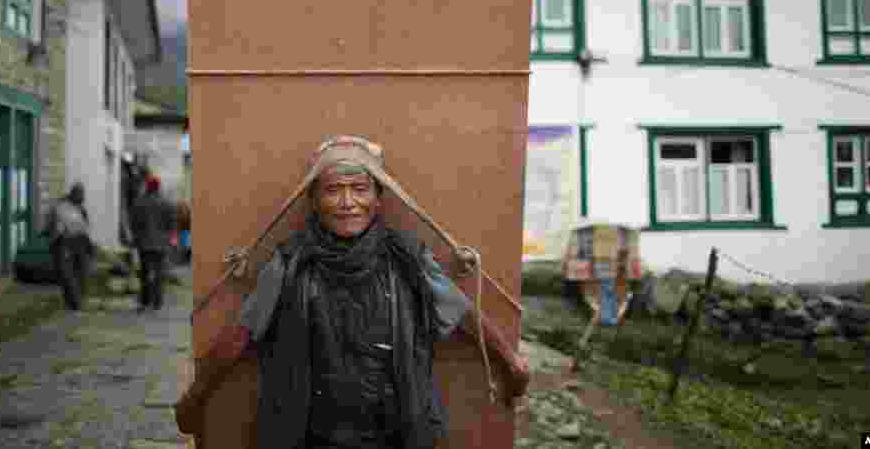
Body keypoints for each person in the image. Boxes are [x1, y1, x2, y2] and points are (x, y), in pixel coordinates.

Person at [175, 135, 531, 449]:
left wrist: (509, 361)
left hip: (395, 430)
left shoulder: (407, 258)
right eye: (333, 190)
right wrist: (196, 396)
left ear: (379, 198)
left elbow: (462, 312)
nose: (348, 203)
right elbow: (241, 333)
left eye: (360, 189)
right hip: (310, 434)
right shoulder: (290, 262)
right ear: (314, 200)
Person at [44, 182, 94, 311]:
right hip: (64, 243)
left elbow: (84, 226)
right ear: (74, 194)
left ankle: (75, 302)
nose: (83, 198)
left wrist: (88, 245)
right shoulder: (61, 207)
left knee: (80, 273)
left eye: (83, 195)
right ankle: (74, 303)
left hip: (78, 242)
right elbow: (54, 226)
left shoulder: (79, 208)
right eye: (80, 195)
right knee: (67, 275)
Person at [131, 175, 175, 312]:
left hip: (144, 244)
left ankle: (145, 301)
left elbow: (134, 223)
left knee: (144, 272)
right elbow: (171, 223)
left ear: (148, 186)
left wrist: (136, 238)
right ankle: (157, 302)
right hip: (161, 244)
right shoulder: (166, 202)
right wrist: (170, 238)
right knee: (159, 273)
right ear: (158, 187)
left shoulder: (139, 202)